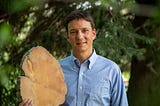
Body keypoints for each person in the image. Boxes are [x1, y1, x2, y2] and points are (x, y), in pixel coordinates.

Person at [19, 9, 128, 106]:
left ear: (93, 34)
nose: (80, 36)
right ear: (67, 36)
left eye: (85, 30)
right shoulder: (54, 70)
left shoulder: (111, 70)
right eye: (73, 32)